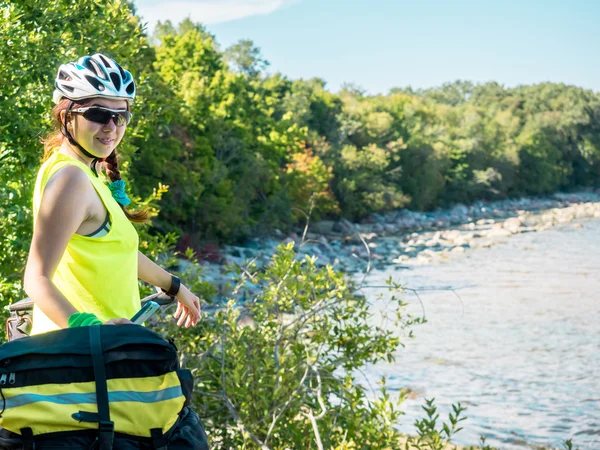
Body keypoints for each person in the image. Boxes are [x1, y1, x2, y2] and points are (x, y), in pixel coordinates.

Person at [23, 53, 201, 334]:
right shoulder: (71, 179)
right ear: (66, 116)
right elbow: (36, 278)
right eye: (98, 114)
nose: (111, 126)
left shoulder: (86, 174)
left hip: (104, 357)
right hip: (81, 361)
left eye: (121, 116)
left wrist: (174, 285)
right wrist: (93, 330)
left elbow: (118, 250)